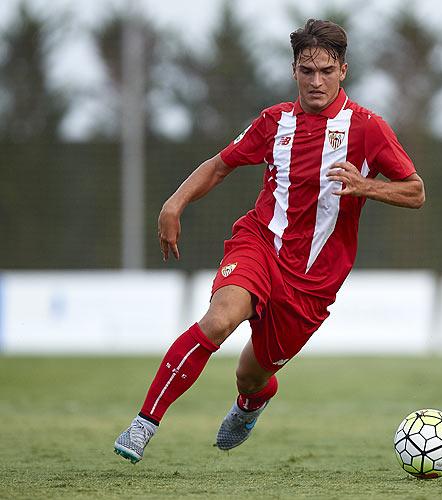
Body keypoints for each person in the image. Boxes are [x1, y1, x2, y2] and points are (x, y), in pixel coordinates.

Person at [113, 18, 425, 464]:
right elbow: (220, 165)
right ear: (294, 71)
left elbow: (416, 191)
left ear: (343, 71)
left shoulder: (367, 128)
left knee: (250, 376)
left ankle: (250, 403)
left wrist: (368, 186)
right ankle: (145, 422)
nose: (316, 81)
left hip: (312, 282)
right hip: (259, 243)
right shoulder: (274, 122)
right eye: (306, 70)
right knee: (219, 320)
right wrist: (174, 204)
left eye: (326, 71)